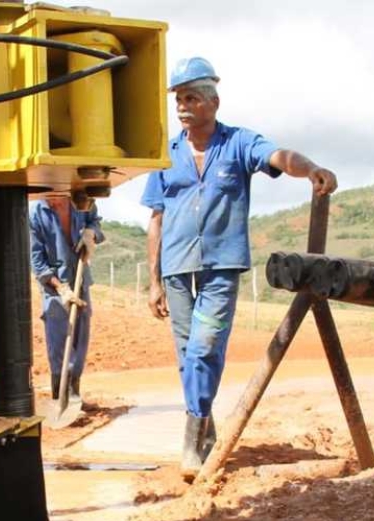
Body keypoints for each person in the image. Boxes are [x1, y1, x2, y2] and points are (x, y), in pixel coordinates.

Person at [141, 56, 338, 479]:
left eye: (191, 98)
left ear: (213, 102)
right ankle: (204, 428)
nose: (183, 107)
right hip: (176, 267)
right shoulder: (165, 154)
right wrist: (153, 281)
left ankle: (191, 441)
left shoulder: (239, 143)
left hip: (221, 266)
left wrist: (311, 170)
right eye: (179, 99)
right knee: (187, 356)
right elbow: (155, 219)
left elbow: (279, 156)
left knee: (205, 348)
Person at [30, 192, 103, 402]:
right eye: (48, 198)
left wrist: (91, 233)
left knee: (80, 338)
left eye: (56, 198)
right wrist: (61, 288)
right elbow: (37, 262)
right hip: (54, 287)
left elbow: (95, 222)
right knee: (58, 340)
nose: (52, 202)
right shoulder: (35, 214)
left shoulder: (82, 201)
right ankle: (59, 395)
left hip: (80, 280)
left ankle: (73, 392)